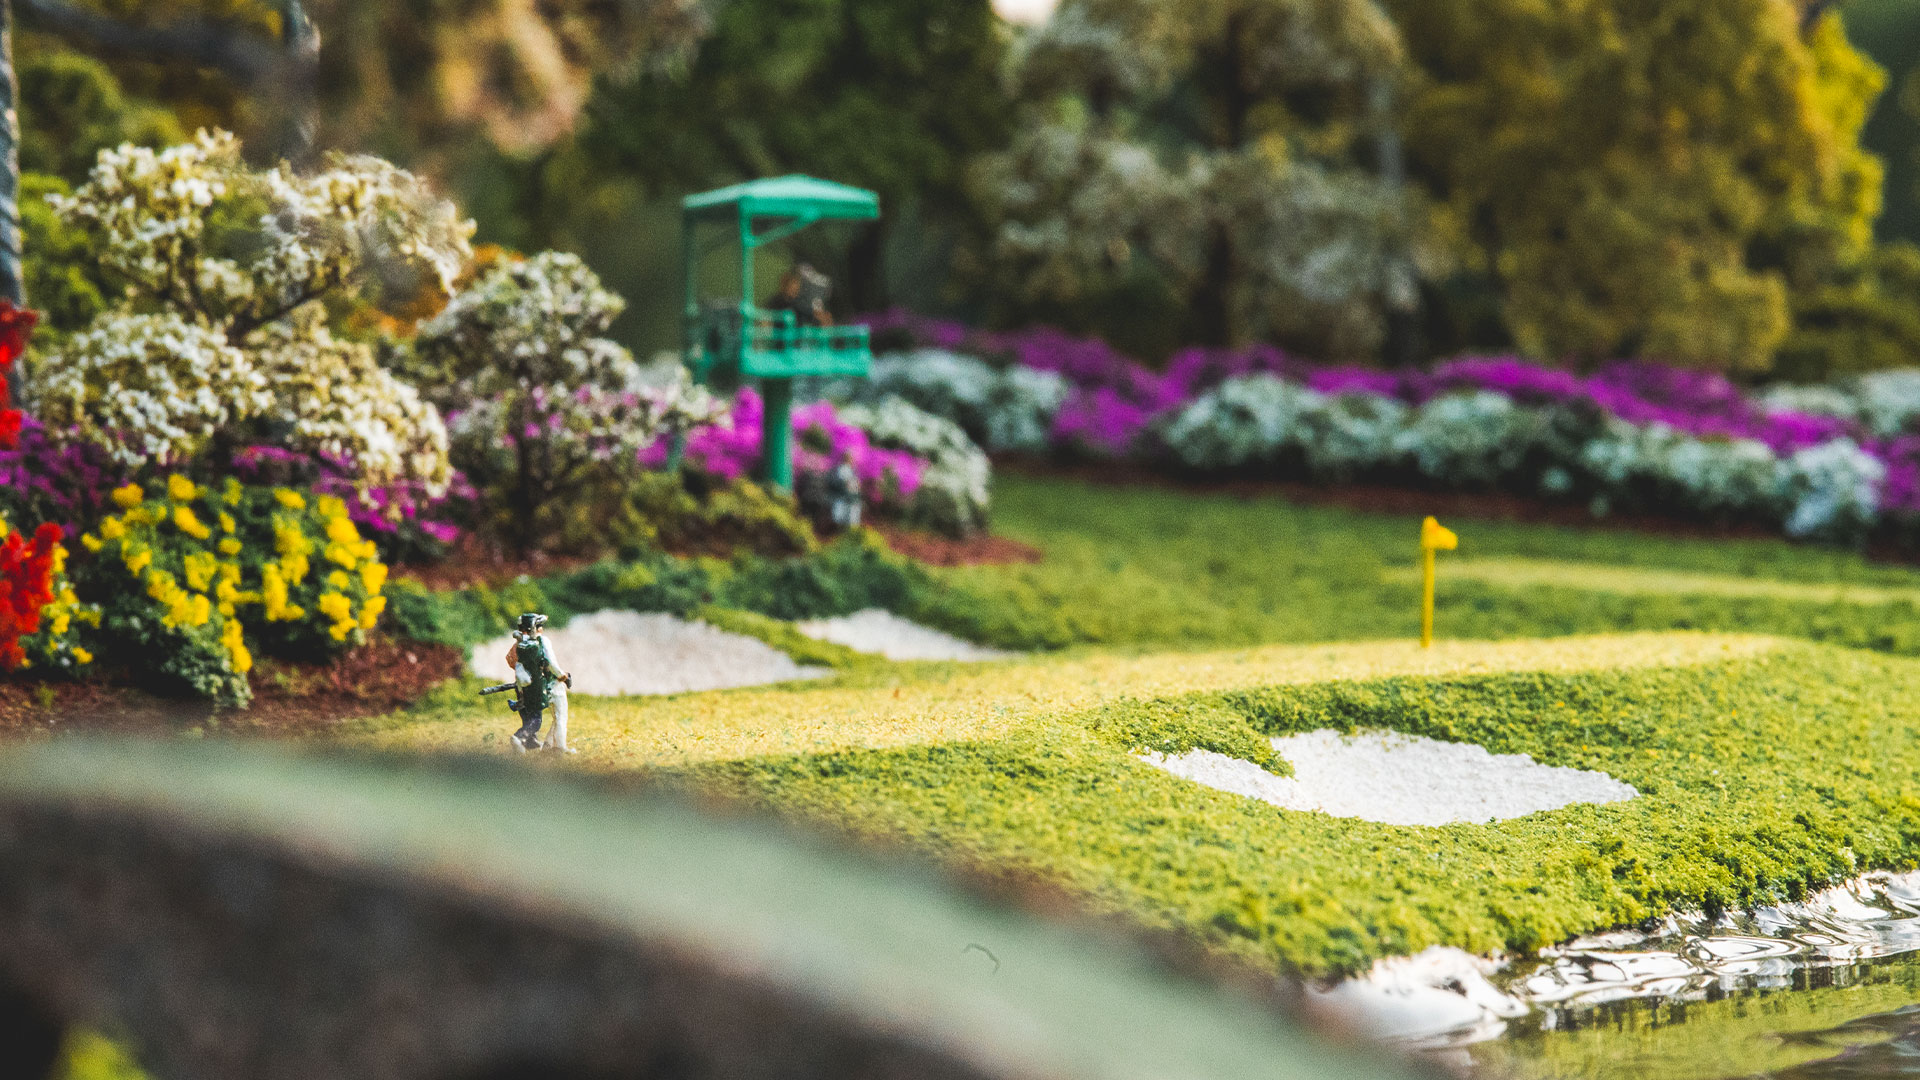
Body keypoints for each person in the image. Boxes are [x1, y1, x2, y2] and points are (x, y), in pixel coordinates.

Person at [506, 613, 574, 753]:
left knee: (535, 717)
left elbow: (511, 661)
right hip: (550, 685)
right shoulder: (543, 642)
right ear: (534, 628)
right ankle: (558, 747)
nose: (541, 628)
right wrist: (563, 676)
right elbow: (552, 663)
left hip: (528, 688)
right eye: (539, 626)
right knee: (559, 717)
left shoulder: (519, 645)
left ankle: (543, 744)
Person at [764, 263, 834, 328]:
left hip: (796, 338)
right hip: (781, 338)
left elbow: (816, 318)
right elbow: (765, 319)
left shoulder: (801, 303)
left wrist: (823, 319)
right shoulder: (776, 301)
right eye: (791, 286)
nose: (794, 289)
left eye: (796, 286)